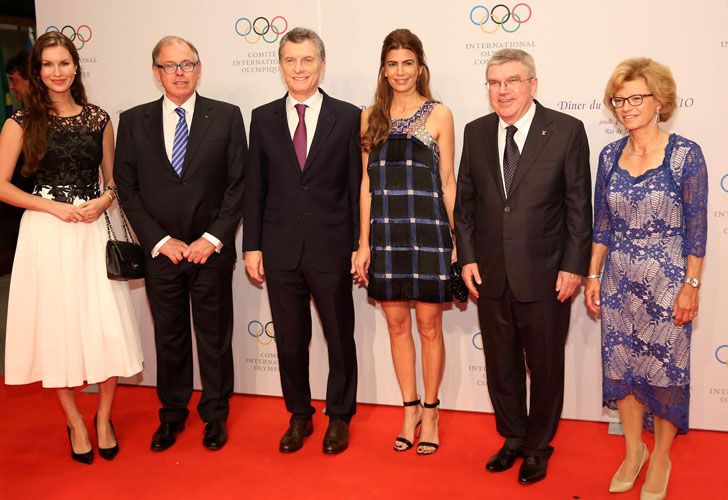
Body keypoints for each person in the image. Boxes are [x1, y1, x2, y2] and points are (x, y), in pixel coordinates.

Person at [0, 31, 143, 464]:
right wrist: (51, 207)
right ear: (37, 72)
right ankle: (75, 421)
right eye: (48, 65)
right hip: (47, 234)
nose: (57, 72)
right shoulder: (20, 122)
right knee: (56, 328)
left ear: (76, 67)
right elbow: (2, 186)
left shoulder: (99, 118)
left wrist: (103, 199)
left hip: (91, 233)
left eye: (64, 63)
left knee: (106, 327)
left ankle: (103, 418)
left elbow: (114, 178)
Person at [454, 48, 592, 484]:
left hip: (547, 274)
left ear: (533, 84)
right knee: (501, 364)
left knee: (546, 365)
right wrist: (469, 257)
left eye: (512, 80)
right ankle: (512, 437)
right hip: (491, 273)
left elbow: (578, 208)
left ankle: (537, 446)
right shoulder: (476, 132)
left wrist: (574, 266)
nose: (503, 90)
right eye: (495, 82)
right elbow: (466, 205)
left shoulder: (567, 130)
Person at [114, 36, 247, 452]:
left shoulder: (226, 117)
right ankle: (171, 414)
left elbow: (237, 184)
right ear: (156, 72)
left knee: (214, 338)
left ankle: (215, 414)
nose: (179, 73)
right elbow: (127, 188)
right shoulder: (133, 121)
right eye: (169, 66)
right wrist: (159, 241)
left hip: (210, 251)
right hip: (162, 254)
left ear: (199, 68)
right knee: (169, 338)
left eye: (187, 64)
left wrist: (211, 239)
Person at [584, 58, 707, 500]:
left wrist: (690, 286)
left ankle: (661, 458)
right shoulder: (609, 155)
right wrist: (593, 274)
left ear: (659, 101)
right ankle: (634, 451)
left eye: (637, 98)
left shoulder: (684, 154)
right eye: (619, 99)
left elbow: (696, 228)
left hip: (668, 283)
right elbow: (602, 224)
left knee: (666, 371)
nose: (627, 107)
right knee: (623, 368)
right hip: (618, 281)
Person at [243, 27, 360, 455]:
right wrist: (251, 246)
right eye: (290, 60)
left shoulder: (348, 117)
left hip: (331, 248)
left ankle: (340, 416)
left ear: (322, 65)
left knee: (339, 336)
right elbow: (255, 188)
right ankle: (299, 415)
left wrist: (357, 244)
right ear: (280, 66)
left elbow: (355, 186)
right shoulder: (262, 117)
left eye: (307, 60)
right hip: (279, 248)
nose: (299, 68)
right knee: (290, 339)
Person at [354, 28, 456, 455]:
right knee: (397, 326)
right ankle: (409, 408)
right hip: (387, 234)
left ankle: (432, 411)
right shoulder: (370, 116)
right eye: (393, 64)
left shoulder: (440, 114)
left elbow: (447, 179)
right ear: (383, 69)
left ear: (421, 67)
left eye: (408, 63)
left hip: (430, 233)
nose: (400, 72)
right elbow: (366, 183)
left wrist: (457, 240)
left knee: (430, 326)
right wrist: (364, 243)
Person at [1, 50, 34, 273]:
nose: (12, 87)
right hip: (20, 218)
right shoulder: (17, 123)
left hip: (58, 217)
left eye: (15, 80)